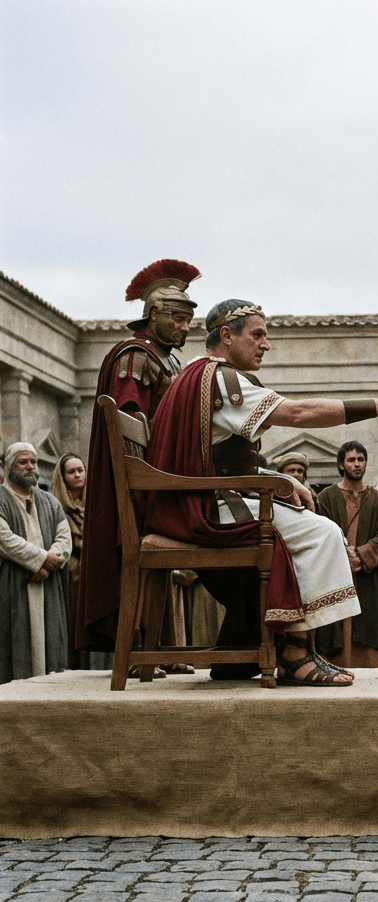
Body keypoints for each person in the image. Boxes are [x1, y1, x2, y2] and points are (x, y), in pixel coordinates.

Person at [143, 298, 378, 685]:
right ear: (226, 336)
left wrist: (284, 480)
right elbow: (296, 414)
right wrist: (375, 406)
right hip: (198, 508)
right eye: (257, 334)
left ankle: (270, 649)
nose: (266, 344)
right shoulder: (223, 381)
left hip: (184, 500)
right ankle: (295, 655)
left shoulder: (194, 375)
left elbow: (215, 459)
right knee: (322, 532)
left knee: (305, 526)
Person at [78, 259, 200, 652]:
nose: (184, 327)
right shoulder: (135, 357)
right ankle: (141, 649)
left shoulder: (167, 358)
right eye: (178, 319)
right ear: (153, 315)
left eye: (188, 321)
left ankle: (160, 647)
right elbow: (132, 432)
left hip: (161, 481)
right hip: (139, 487)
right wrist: (144, 494)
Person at [315, 441, 378, 668]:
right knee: (337, 629)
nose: (357, 464)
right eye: (351, 460)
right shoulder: (326, 497)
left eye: (361, 459)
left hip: (368, 578)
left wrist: (360, 555)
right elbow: (323, 531)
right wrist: (343, 555)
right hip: (337, 577)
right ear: (341, 464)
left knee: (368, 627)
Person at [1, 443, 72, 684]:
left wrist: (51, 560)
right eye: (24, 462)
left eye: (34, 462)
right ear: (6, 467)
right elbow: (4, 539)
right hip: (13, 585)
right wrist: (41, 560)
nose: (31, 466)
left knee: (50, 650)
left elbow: (65, 538)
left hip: (48, 587)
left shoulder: (50, 501)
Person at [50, 453, 88, 670]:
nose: (77, 475)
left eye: (80, 470)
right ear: (63, 477)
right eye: (71, 472)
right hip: (70, 577)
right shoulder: (57, 507)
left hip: (92, 577)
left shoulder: (93, 504)